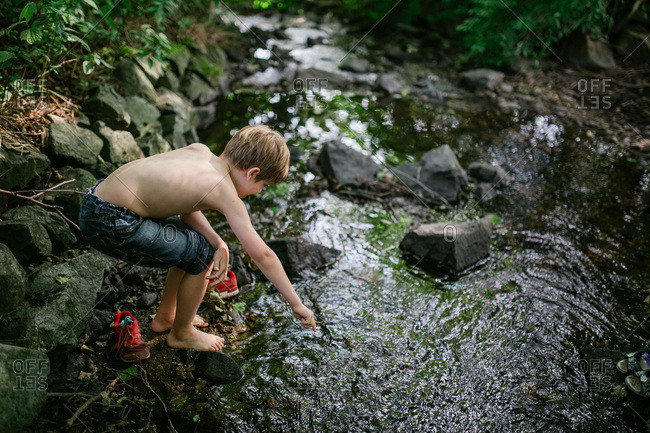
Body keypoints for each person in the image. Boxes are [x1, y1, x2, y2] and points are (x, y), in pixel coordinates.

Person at [78, 125, 316, 352]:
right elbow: (262, 255)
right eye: (262, 185)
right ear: (252, 173)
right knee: (203, 255)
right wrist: (296, 303)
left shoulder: (200, 151)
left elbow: (187, 206)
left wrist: (218, 242)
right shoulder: (225, 191)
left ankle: (167, 317)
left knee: (195, 241)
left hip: (94, 203)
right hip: (114, 223)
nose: (259, 192)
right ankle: (182, 333)